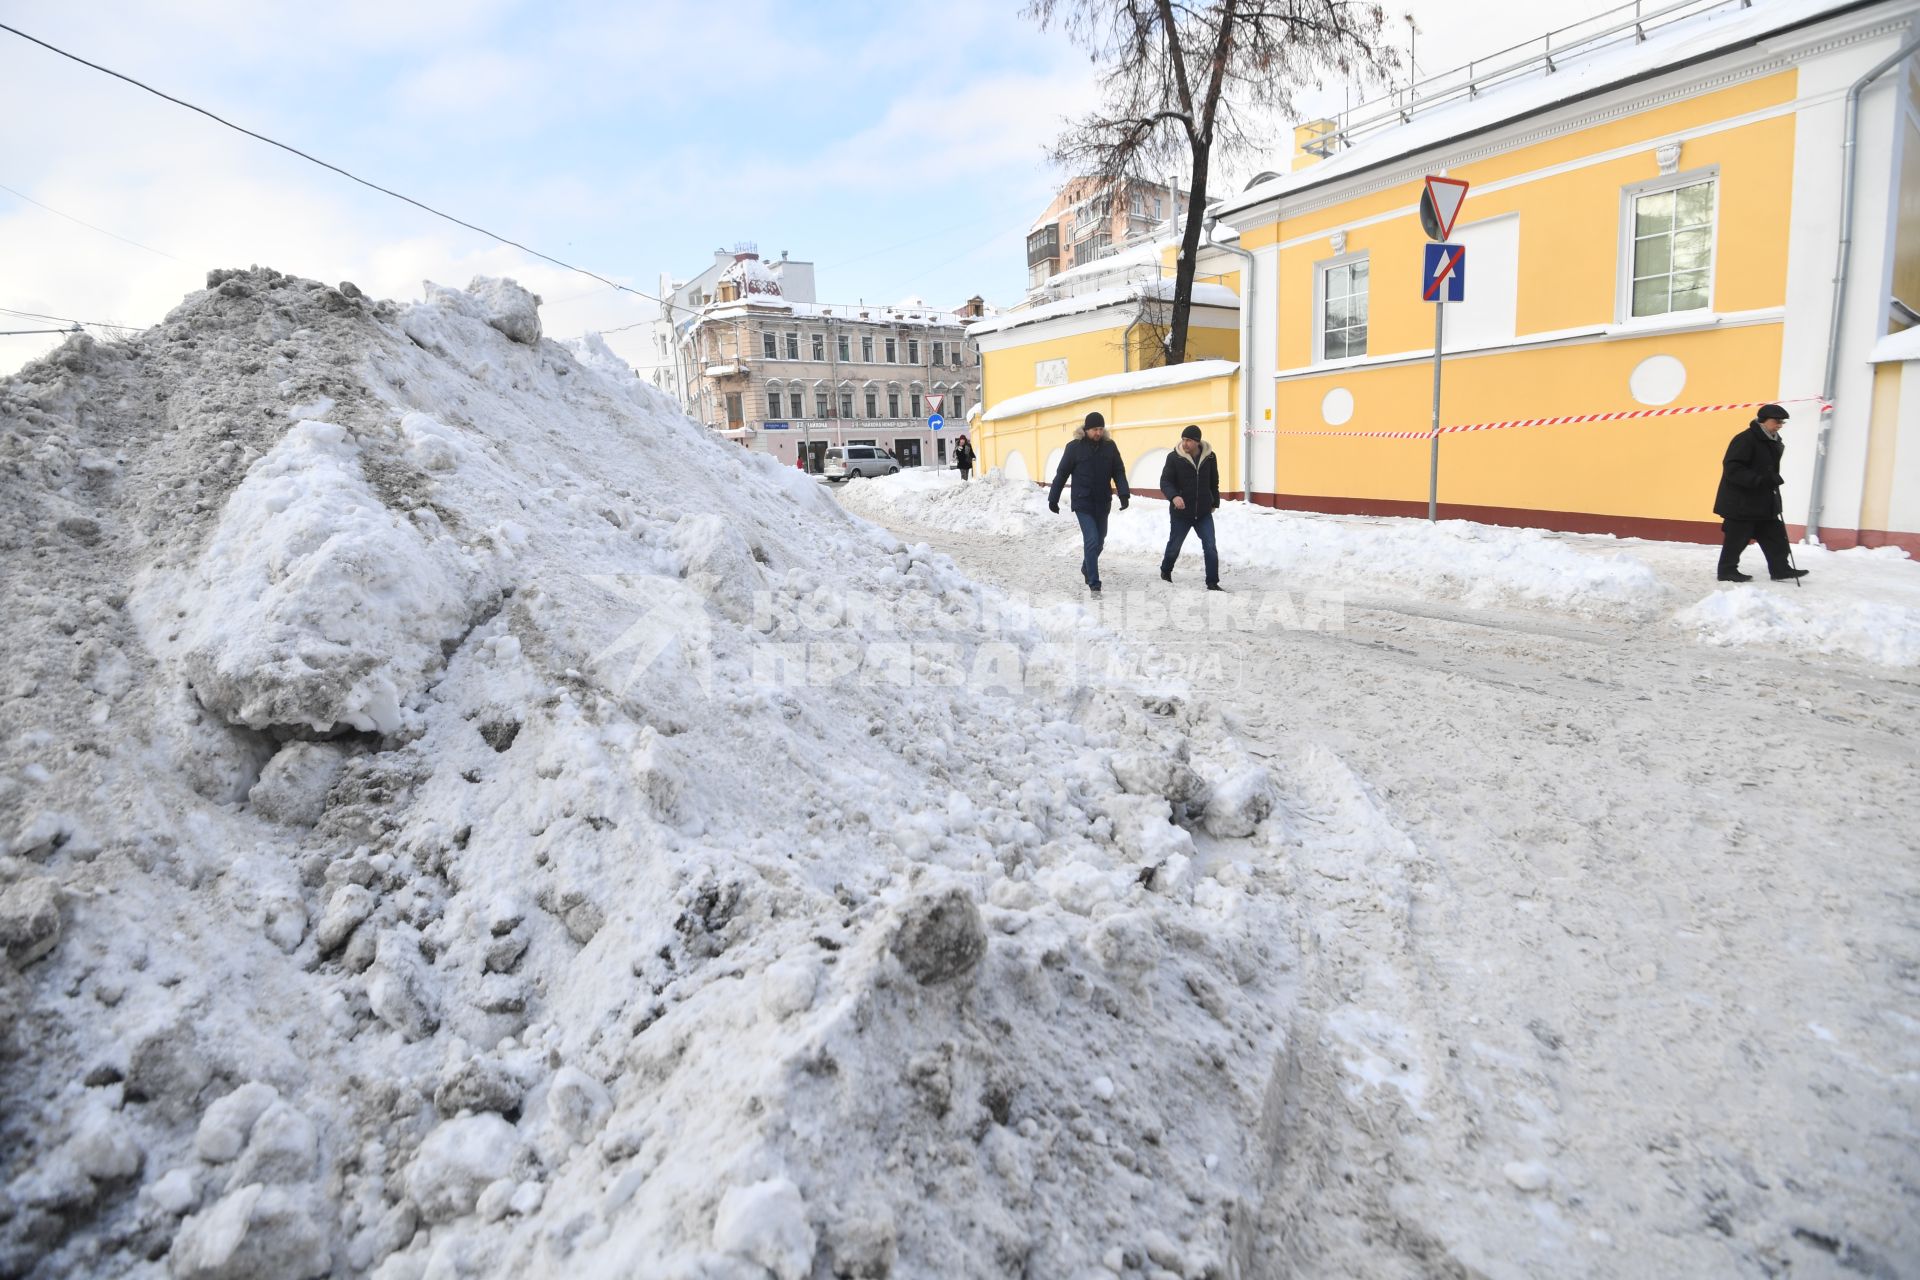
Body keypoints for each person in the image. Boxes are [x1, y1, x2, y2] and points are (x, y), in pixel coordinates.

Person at [1713, 403, 1807, 582]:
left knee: (1775, 536)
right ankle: (1726, 571)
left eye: (1782, 422)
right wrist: (1760, 480)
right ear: (1763, 421)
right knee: (1737, 538)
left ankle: (1780, 569)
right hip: (1741, 502)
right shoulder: (1745, 439)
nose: (1780, 425)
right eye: (1776, 421)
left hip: (1763, 502)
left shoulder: (1772, 440)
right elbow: (1732, 468)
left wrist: (1770, 479)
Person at [1048, 410, 1130, 594]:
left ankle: (1087, 566)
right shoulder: (1074, 447)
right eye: (1094, 429)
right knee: (1091, 539)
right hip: (1082, 502)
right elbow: (1062, 474)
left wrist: (1124, 493)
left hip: (1103, 502)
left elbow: (1118, 470)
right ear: (1086, 429)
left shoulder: (1110, 446)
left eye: (1101, 429)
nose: (1098, 433)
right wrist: (1053, 498)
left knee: (1100, 541)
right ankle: (1094, 581)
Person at [1158, 425, 1222, 590]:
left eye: (1189, 440)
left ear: (1197, 442)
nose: (1185, 443)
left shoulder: (1210, 457)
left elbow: (1213, 481)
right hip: (1181, 512)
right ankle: (1166, 571)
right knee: (1175, 545)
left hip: (1203, 512)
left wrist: (1214, 502)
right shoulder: (1174, 458)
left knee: (1210, 546)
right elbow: (1165, 482)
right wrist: (1174, 496)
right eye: (1183, 439)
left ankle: (1212, 582)